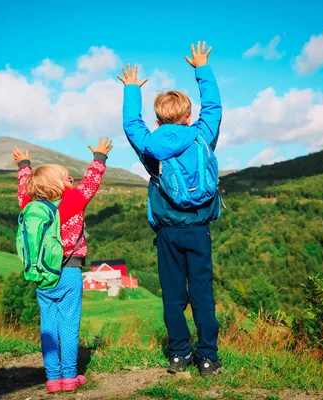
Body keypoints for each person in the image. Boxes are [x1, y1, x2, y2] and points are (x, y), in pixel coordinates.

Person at [117, 42, 223, 376]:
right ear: (188, 115)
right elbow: (215, 107)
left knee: (174, 296)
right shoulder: (202, 137)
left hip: (168, 234)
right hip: (199, 231)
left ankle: (179, 355)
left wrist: (132, 89)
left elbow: (131, 126)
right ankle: (208, 358)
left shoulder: (151, 148)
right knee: (203, 294)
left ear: (158, 118)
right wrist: (202, 68)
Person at [13, 137, 113, 392]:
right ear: (56, 184)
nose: (71, 178)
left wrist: (24, 165)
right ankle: (69, 377)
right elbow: (90, 183)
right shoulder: (72, 202)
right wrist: (99, 157)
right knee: (69, 325)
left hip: (42, 275)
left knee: (48, 327)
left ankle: (52, 379)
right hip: (69, 271)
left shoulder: (30, 207)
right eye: (66, 176)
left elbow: (23, 190)